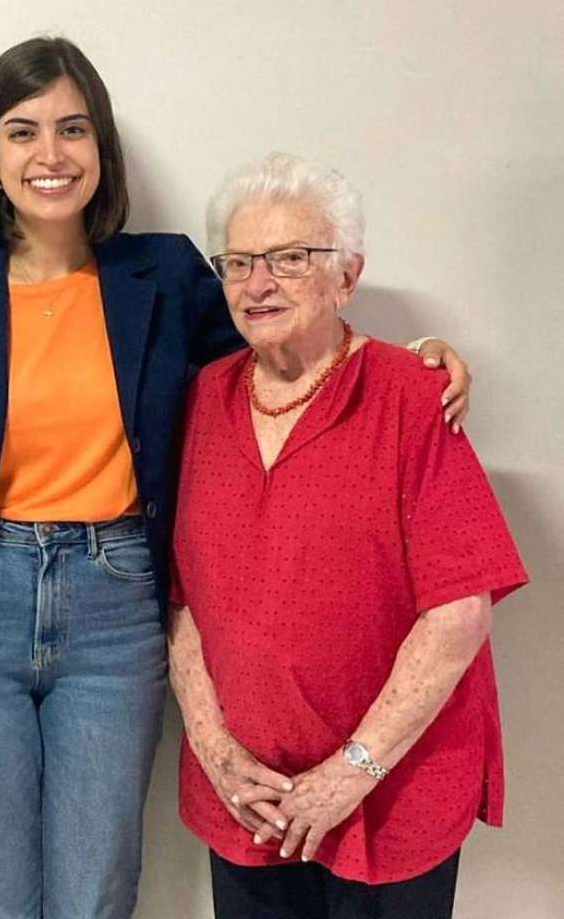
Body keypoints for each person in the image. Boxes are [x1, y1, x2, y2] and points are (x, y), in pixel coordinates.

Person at [0, 38, 470, 919]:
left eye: (73, 129)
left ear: (101, 150)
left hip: (116, 610)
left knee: (95, 894)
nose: (51, 154)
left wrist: (407, 362)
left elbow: (275, 366)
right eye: (22, 132)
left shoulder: (166, 272)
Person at [168, 154, 527, 919]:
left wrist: (350, 773)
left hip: (389, 796)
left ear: (348, 275)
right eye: (239, 262)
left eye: (290, 259)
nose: (258, 283)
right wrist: (216, 750)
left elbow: (460, 611)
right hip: (248, 803)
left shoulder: (410, 396)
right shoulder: (200, 400)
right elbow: (181, 600)